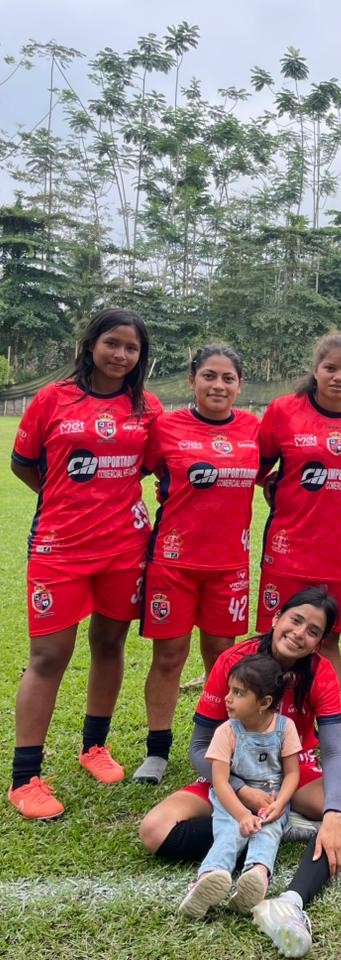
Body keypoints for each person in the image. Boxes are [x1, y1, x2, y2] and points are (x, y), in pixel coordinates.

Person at [138, 587, 341, 958]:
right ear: (276, 618)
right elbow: (200, 748)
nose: (300, 633)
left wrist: (332, 816)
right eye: (295, 620)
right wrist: (241, 791)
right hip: (234, 780)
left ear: (318, 644)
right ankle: (278, 827)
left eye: (313, 631)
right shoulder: (235, 661)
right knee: (154, 830)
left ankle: (291, 900)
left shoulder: (320, 674)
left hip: (293, 778)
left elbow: (331, 751)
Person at [8, 308, 161, 820]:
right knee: (49, 655)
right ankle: (25, 776)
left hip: (124, 549)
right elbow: (23, 462)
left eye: (131, 348)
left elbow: (154, 465)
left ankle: (94, 746)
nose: (121, 355)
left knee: (109, 642)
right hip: (60, 548)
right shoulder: (53, 398)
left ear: (141, 356)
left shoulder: (147, 407)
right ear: (91, 343)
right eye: (112, 343)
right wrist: (61, 501)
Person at [135, 344, 260, 784]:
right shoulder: (166, 428)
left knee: (223, 660)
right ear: (192, 380)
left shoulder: (253, 429)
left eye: (228, 378)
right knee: (169, 656)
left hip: (230, 567)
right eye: (209, 376)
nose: (218, 385)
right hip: (173, 564)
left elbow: (276, 476)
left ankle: (220, 743)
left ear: (240, 385)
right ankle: (157, 751)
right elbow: (135, 471)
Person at [256, 333, 341, 685]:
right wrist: (274, 485)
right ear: (315, 370)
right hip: (290, 547)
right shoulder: (284, 410)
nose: (338, 377)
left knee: (327, 640)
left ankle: (328, 727)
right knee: (279, 636)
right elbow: (255, 467)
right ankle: (269, 723)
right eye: (330, 368)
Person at [178, 654, 301, 919]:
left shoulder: (285, 728)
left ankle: (256, 875)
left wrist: (280, 803)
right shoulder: (227, 731)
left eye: (238, 693)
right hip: (232, 797)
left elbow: (292, 774)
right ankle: (208, 878)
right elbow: (220, 782)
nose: (228, 698)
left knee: (267, 833)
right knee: (230, 832)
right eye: (229, 690)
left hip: (272, 797)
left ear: (265, 702)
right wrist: (243, 814)